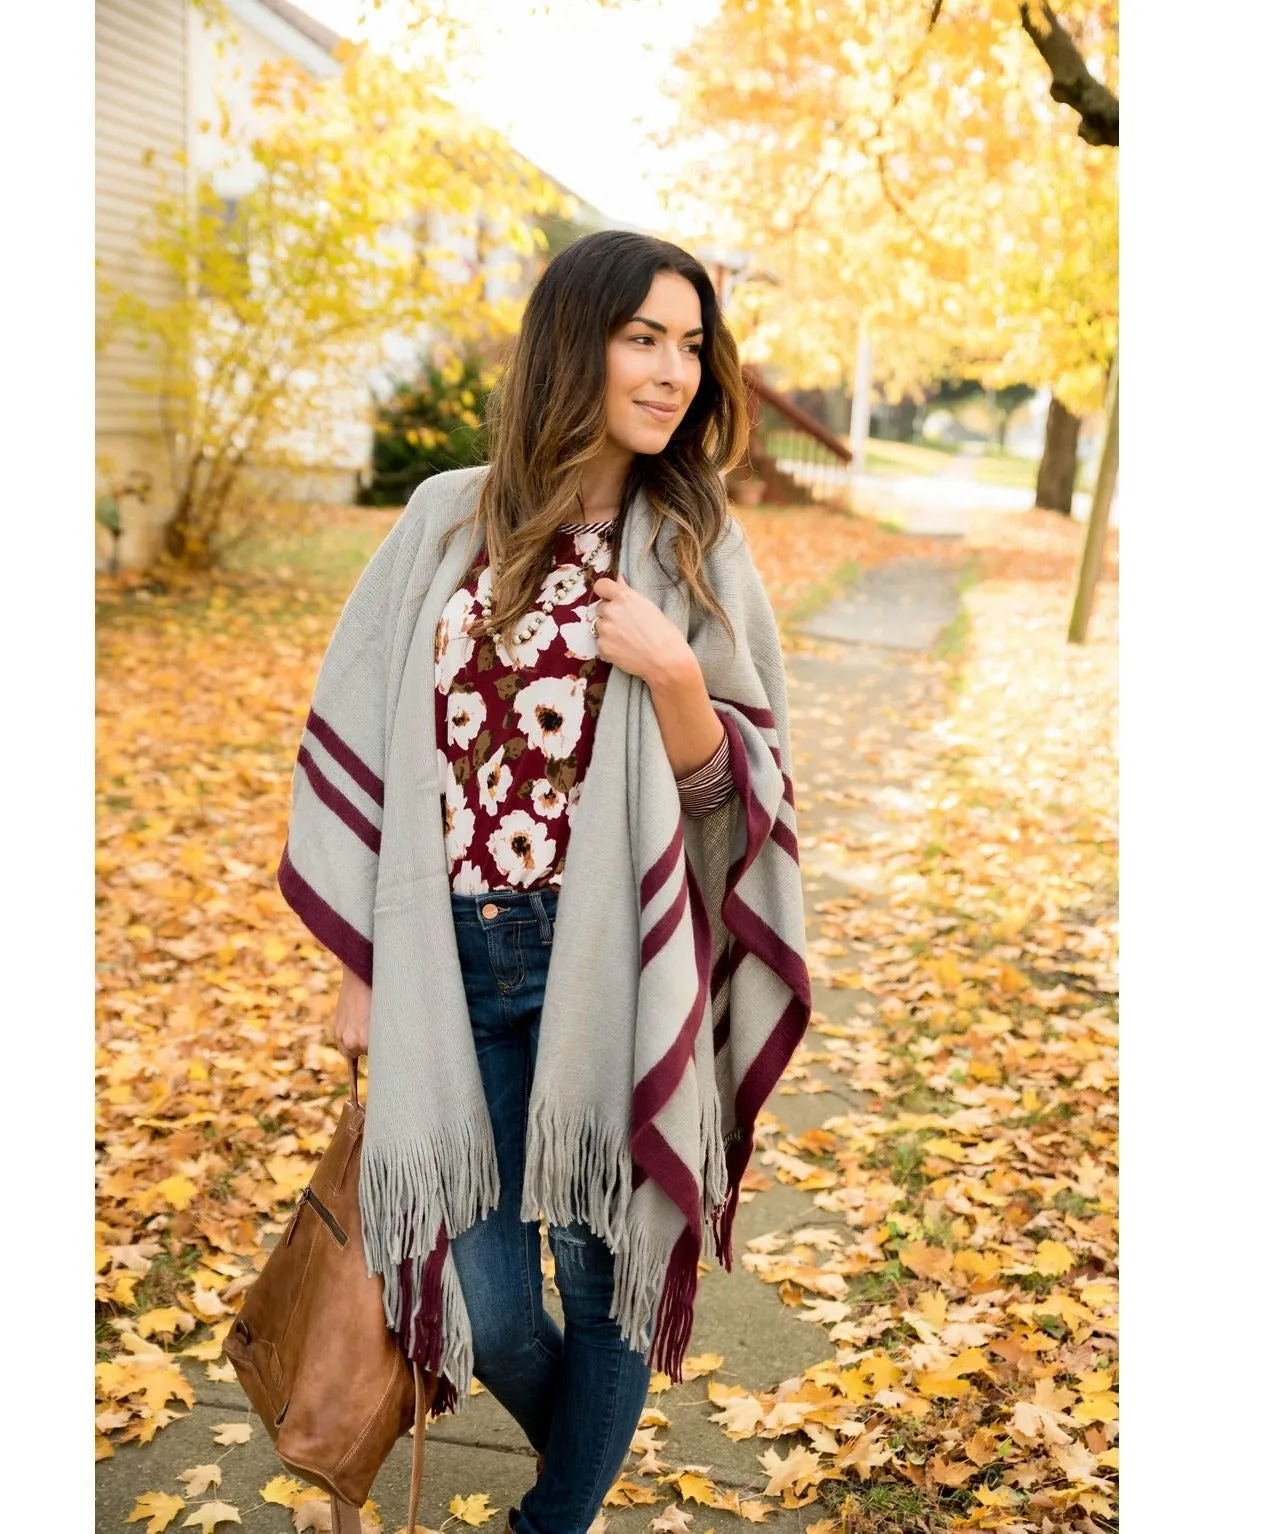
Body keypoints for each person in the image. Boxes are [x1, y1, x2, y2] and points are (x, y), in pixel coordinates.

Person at [278, 229, 810, 1534]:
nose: (673, 369)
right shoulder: (441, 520)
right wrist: (359, 966)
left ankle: (548, 1522)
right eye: (643, 336)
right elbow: (357, 728)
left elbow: (734, 802)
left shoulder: (690, 544)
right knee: (499, 1304)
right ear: (573, 342)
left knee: (605, 1260)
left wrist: (676, 680)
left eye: (691, 344)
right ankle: (579, 1469)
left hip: (606, 958)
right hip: (449, 966)